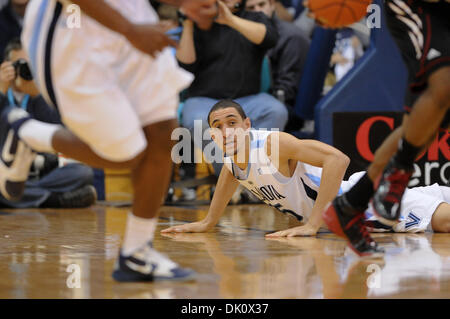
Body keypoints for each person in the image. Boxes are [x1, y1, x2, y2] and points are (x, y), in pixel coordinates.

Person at [0, 0, 218, 282]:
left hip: (133, 17)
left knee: (163, 132)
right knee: (127, 153)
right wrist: (129, 30)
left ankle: (137, 252)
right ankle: (28, 133)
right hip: (73, 22)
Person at [161, 100, 450, 251]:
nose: (226, 131)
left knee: (444, 222)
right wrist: (209, 221)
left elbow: (338, 159)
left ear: (247, 125)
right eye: (218, 126)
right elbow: (230, 175)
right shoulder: (231, 157)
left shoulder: (273, 144)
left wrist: (314, 224)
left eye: (232, 122)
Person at [308, 0, 450, 257]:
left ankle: (352, 204)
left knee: (427, 121)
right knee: (442, 86)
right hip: (419, 9)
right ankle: (397, 173)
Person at [177, 0, 288, 174]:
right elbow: (184, 65)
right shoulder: (200, 22)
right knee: (199, 122)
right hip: (204, 101)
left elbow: (270, 38)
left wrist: (230, 19)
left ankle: (257, 177)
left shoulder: (255, 17)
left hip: (249, 99)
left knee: (276, 111)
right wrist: (189, 24)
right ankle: (232, 178)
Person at [0, 38, 96, 209]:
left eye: (29, 65)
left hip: (40, 167)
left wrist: (37, 95)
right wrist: (1, 90)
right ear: (7, 66)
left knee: (83, 173)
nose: (25, 69)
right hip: (5, 168)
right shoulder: (2, 92)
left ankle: (21, 197)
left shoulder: (45, 91)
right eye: (19, 64)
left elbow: (58, 129)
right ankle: (52, 199)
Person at [245, 0, 310, 130]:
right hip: (248, 100)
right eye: (251, 7)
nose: (258, 10)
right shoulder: (241, 34)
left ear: (272, 5)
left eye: (262, 5)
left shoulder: (292, 37)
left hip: (282, 105)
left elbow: (287, 90)